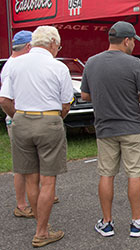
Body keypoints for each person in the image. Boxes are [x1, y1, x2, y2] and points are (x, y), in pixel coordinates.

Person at [80, 21, 140, 238]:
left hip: (105, 128)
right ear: (126, 40)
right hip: (130, 127)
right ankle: (137, 222)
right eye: (133, 40)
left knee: (106, 174)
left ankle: (106, 223)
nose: (134, 44)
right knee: (134, 174)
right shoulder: (134, 64)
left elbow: (85, 95)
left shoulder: (92, 63)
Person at [0, 26, 73, 247]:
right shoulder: (58, 67)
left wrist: (18, 117)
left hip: (21, 119)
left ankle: (40, 226)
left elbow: (4, 100)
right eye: (58, 46)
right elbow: (66, 103)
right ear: (52, 43)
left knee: (30, 177)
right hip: (48, 120)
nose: (58, 50)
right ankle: (42, 231)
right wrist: (56, 118)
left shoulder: (14, 65)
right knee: (48, 180)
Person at [0, 31, 34, 219]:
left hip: (19, 120)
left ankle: (34, 196)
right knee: (22, 166)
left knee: (27, 163)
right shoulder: (13, 66)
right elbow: (5, 100)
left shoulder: (12, 64)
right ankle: (21, 205)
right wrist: (17, 117)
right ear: (28, 47)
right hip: (17, 121)